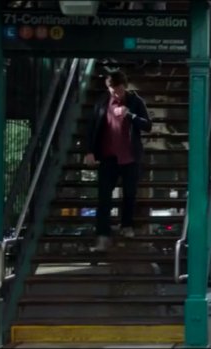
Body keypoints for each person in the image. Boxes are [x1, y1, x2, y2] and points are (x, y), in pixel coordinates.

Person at [85, 70, 152, 252]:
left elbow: (148, 125)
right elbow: (92, 126)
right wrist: (90, 151)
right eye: (113, 90)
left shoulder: (135, 101)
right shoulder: (102, 102)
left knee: (129, 194)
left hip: (130, 156)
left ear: (125, 86)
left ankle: (127, 225)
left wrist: (129, 115)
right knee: (104, 197)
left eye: (119, 89)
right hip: (108, 156)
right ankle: (102, 236)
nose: (116, 93)